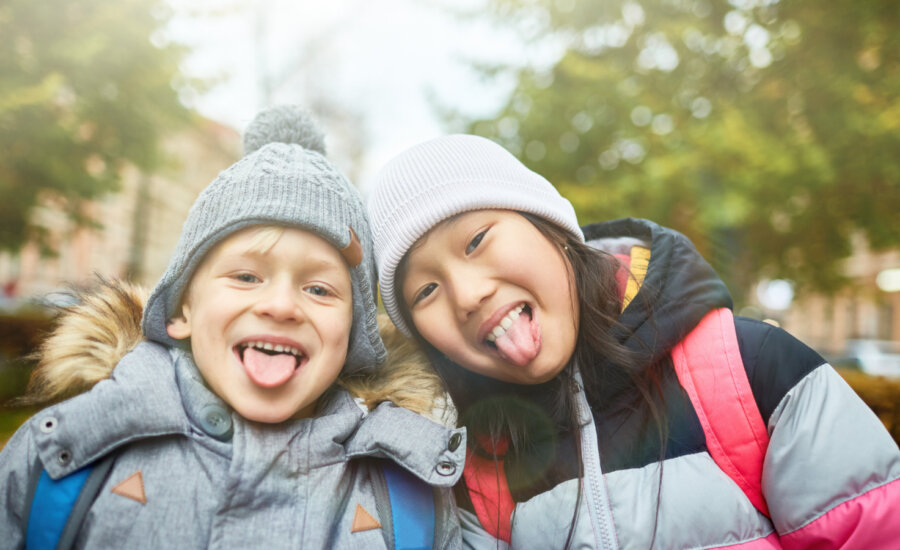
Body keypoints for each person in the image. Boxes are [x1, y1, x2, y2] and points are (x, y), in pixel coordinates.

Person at [365, 134, 900, 549]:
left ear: (551, 227)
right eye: (425, 290)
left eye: (477, 240)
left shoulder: (754, 368)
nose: (465, 295)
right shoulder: (478, 463)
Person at [0, 106, 465, 549]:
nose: (282, 306)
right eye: (246, 277)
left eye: (320, 289)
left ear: (352, 338)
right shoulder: (69, 450)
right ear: (181, 311)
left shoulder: (411, 494)